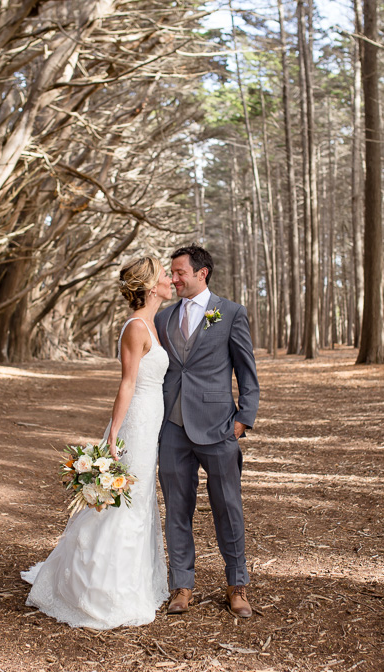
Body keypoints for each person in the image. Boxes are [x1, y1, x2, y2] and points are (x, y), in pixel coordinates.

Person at [21, 256, 173, 629]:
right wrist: (114, 435)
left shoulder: (153, 324)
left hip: (152, 420)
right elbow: (127, 384)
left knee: (139, 500)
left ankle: (133, 580)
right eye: (165, 275)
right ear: (152, 286)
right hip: (135, 422)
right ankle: (99, 590)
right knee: (125, 500)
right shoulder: (136, 327)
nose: (171, 279)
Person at [155, 244, 260, 618]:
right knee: (176, 510)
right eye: (172, 272)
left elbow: (247, 372)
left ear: (202, 273)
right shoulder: (163, 319)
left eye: (180, 272)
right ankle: (182, 585)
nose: (174, 278)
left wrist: (243, 419)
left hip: (218, 428)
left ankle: (237, 585)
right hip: (172, 428)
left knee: (228, 509)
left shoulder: (230, 313)